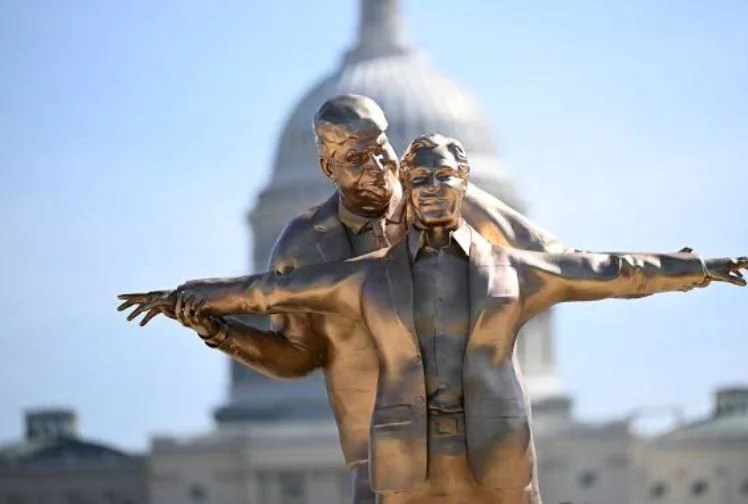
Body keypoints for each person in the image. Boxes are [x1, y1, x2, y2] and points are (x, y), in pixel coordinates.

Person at [120, 133, 748, 504]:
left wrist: (696, 267)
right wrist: (187, 298)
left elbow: (611, 270)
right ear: (406, 186)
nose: (430, 188)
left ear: (465, 183)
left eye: (443, 177)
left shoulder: (516, 269)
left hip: (497, 446)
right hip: (405, 452)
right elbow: (268, 291)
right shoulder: (365, 275)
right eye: (418, 178)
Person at [138, 94, 568, 503]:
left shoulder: (446, 200)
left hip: (482, 438)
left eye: (382, 149)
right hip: (382, 453)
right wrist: (218, 332)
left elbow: (553, 263)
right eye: (358, 159)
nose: (379, 167)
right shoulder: (303, 246)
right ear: (328, 167)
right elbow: (298, 355)